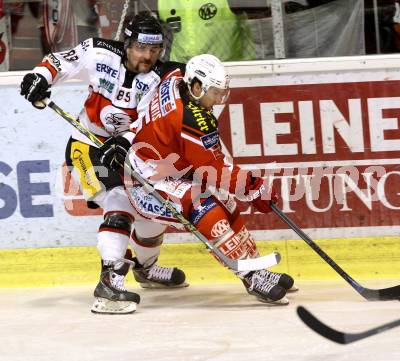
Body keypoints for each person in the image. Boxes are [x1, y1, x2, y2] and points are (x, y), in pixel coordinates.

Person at [19, 12, 188, 315]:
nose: (147, 56)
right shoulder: (99, 52)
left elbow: (150, 120)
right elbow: (60, 62)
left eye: (154, 50)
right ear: (127, 43)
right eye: (140, 48)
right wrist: (39, 77)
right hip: (88, 145)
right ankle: (109, 284)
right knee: (119, 201)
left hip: (130, 149)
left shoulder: (160, 79)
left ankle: (146, 269)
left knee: (151, 211)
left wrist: (125, 143)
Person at [122, 54, 296, 305]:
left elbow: (169, 66)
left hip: (168, 167)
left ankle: (258, 268)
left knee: (227, 201)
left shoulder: (175, 78)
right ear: (195, 87)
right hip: (145, 181)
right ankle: (250, 276)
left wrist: (248, 187)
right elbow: (215, 170)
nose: (218, 99)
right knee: (205, 208)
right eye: (214, 92)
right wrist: (254, 188)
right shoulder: (194, 119)